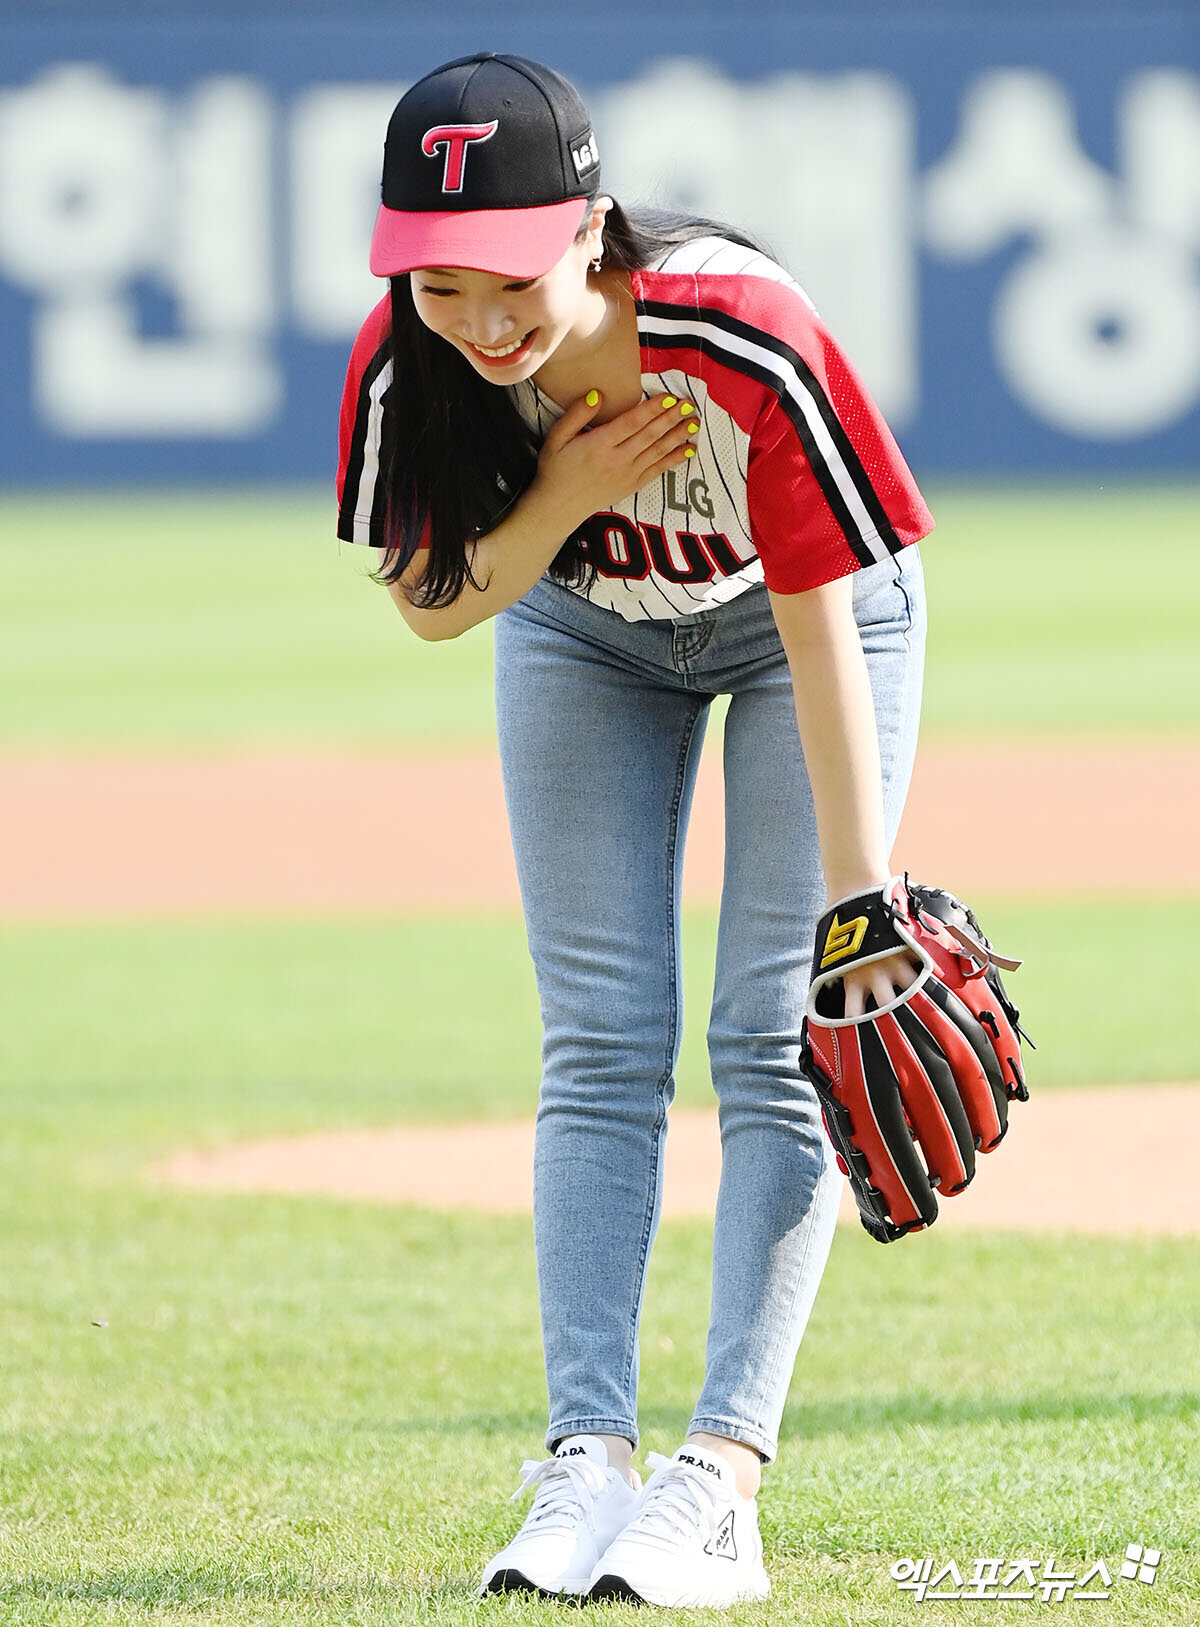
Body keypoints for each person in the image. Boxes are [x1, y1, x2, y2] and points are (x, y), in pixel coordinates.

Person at [337, 51, 931, 1610]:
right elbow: (432, 605)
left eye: (510, 273)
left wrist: (863, 903)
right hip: (577, 630)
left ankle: (722, 1478)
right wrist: (555, 493)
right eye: (439, 282)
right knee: (599, 1041)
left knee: (770, 1034)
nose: (479, 316)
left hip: (807, 626)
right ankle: (586, 1459)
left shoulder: (741, 335)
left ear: (590, 224)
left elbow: (820, 619)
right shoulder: (409, 373)